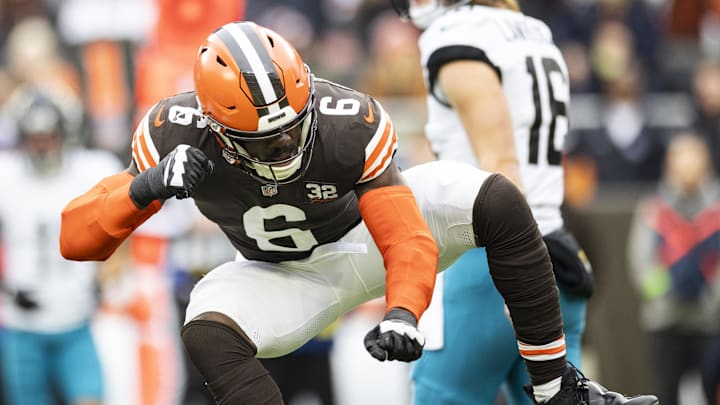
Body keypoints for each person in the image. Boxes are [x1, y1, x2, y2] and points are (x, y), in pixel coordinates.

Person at [58, 21, 658, 405]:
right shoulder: (172, 130)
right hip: (277, 274)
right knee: (206, 328)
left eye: (294, 130)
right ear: (216, 128)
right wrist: (144, 188)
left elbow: (403, 235)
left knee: (495, 197)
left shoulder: (345, 119)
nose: (285, 148)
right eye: (265, 143)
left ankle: (557, 391)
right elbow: (75, 240)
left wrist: (403, 310)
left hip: (363, 239)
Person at [390, 1, 593, 404]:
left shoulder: (458, 36)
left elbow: (502, 165)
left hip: (491, 264)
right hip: (556, 251)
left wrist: (521, 280)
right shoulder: (533, 32)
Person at [0, 84, 121, 405]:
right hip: (22, 324)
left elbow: (124, 227)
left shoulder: (90, 171)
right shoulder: (7, 176)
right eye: (35, 138)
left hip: (77, 321)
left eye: (48, 136)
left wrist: (104, 281)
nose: (42, 146)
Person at [627, 132, 720, 405]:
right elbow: (641, 264)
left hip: (711, 322)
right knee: (664, 393)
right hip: (664, 322)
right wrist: (668, 294)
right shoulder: (653, 210)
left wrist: (710, 299)